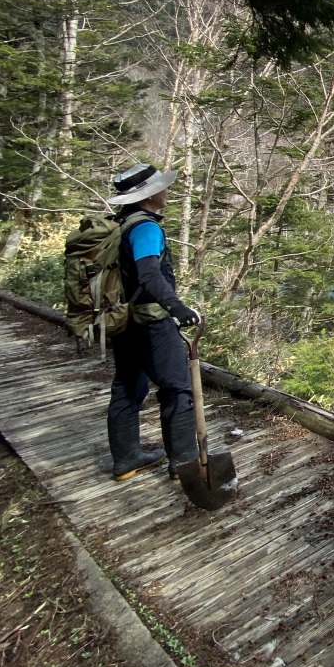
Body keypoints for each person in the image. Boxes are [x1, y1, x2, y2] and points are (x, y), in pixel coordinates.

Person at [104, 163, 202, 482]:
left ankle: (126, 460)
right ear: (149, 195)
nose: (166, 190)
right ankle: (184, 463)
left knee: (127, 386)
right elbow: (148, 275)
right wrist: (177, 307)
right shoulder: (146, 228)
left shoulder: (119, 224)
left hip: (121, 321)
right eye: (162, 186)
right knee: (177, 388)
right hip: (150, 322)